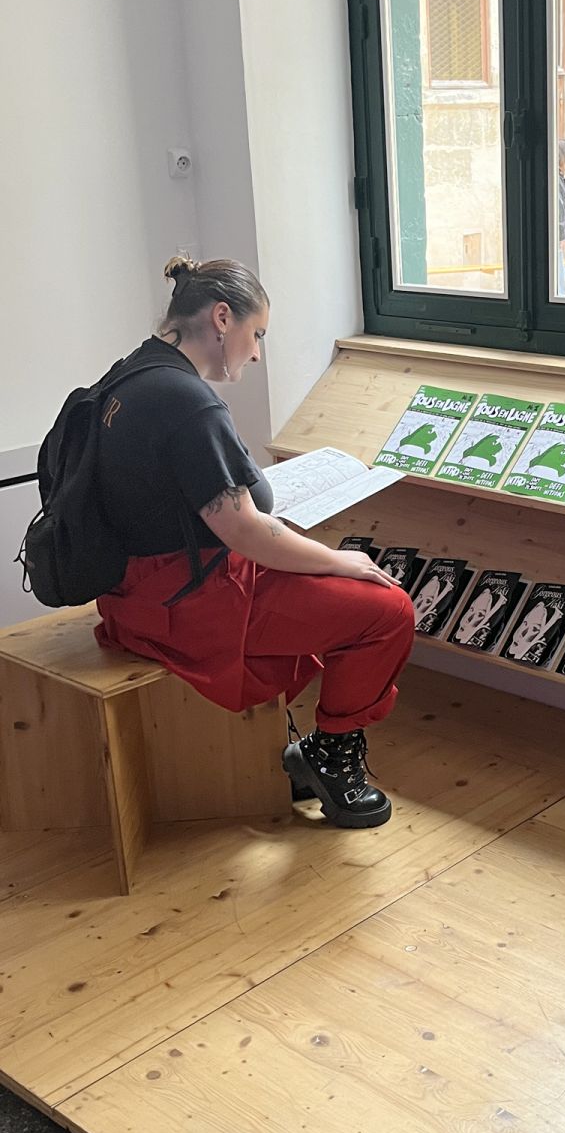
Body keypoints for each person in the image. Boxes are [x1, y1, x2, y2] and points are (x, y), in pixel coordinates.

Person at [93, 257, 416, 830]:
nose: (258, 352)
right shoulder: (186, 402)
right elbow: (243, 529)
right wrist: (340, 561)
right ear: (222, 318)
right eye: (258, 333)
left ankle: (311, 753)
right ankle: (330, 756)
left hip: (134, 594)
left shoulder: (130, 374)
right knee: (387, 610)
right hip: (186, 603)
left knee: (330, 588)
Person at [557, 138, 565, 294]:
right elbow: (559, 208)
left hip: (556, 236)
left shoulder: (557, 179)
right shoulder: (557, 180)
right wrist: (562, 236)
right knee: (558, 276)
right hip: (556, 238)